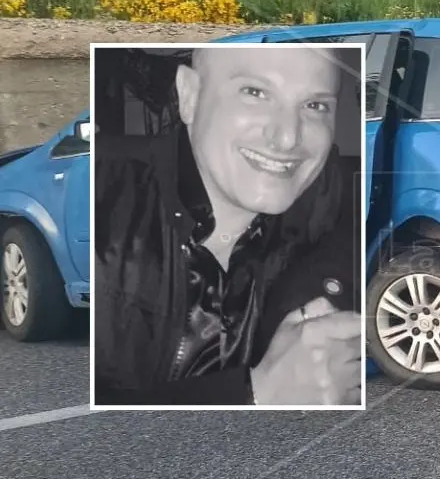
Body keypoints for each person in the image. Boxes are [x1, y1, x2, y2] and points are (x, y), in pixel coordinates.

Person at [93, 45, 361, 406]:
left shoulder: (329, 191)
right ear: (189, 95)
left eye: (315, 106)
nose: (287, 138)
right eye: (255, 92)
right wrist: (259, 393)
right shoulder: (97, 196)